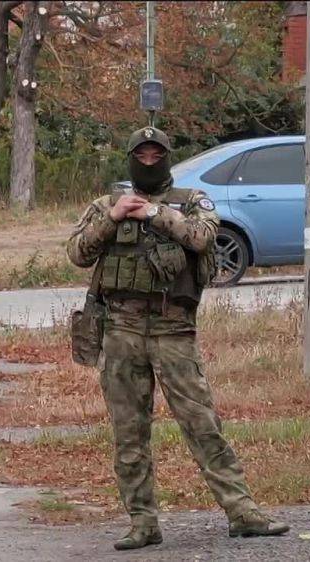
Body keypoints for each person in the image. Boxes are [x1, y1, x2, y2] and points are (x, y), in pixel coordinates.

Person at [66, 126, 289, 551]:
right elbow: (78, 253)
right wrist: (114, 220)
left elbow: (204, 237)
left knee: (202, 425)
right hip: (122, 331)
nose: (149, 162)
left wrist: (153, 214)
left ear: (167, 158)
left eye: (156, 156)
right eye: (141, 156)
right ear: (131, 159)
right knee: (129, 432)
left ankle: (242, 513)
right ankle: (142, 522)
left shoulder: (191, 203)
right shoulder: (106, 205)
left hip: (174, 331)